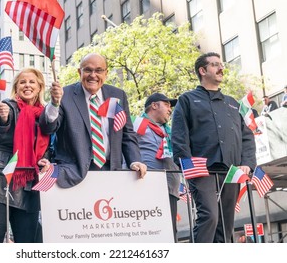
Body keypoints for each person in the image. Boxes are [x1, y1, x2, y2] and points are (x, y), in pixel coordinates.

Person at [171, 52, 256, 243]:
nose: (221, 68)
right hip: (202, 170)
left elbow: (246, 137)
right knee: (209, 215)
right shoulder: (187, 100)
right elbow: (178, 137)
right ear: (203, 70)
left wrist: (247, 164)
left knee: (226, 222)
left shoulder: (232, 103)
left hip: (231, 171)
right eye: (215, 64)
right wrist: (186, 164)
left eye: (221, 64)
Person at [39, 52, 147, 188]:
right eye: (88, 70)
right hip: (74, 174)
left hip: (111, 172)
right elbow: (48, 127)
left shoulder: (118, 95)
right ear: (80, 72)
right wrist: (54, 103)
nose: (93, 75)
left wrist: (135, 160)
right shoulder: (64, 95)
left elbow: (127, 134)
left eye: (99, 70)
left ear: (106, 73)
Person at [0, 68, 51, 243]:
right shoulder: (8, 106)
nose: (27, 85)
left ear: (39, 87)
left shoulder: (46, 114)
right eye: (22, 82)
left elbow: (48, 145)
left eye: (31, 82)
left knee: (27, 241)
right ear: (16, 87)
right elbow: (0, 129)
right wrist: (4, 118)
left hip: (29, 183)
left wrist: (47, 160)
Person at [135, 92, 181, 242]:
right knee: (149, 233)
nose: (170, 109)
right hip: (145, 188)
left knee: (170, 233)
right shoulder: (137, 123)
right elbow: (126, 149)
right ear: (154, 105)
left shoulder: (170, 131)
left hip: (169, 189)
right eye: (167, 105)